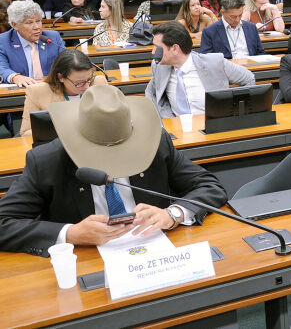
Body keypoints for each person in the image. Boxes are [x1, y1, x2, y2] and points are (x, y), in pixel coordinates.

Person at [0, 84, 227, 256]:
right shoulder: (47, 160)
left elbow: (209, 186)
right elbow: (3, 223)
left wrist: (173, 214)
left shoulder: (155, 143)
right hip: (86, 260)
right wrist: (71, 233)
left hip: (156, 251)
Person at [146, 21, 255, 118]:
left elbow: (249, 79)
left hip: (211, 128)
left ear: (175, 48)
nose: (153, 52)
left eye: (157, 47)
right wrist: (165, 118)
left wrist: (231, 112)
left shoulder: (215, 62)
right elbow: (151, 91)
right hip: (176, 128)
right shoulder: (159, 66)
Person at [19, 50, 108, 136]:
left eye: (89, 79)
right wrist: (67, 131)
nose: (87, 87)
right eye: (79, 83)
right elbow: (26, 133)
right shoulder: (38, 92)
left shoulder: (99, 83)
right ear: (60, 77)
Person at [0, 0, 66, 87]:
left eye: (38, 21)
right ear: (15, 25)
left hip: (51, 88)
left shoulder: (53, 37)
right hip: (22, 90)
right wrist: (15, 77)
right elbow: (1, 67)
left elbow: (67, 61)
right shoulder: (3, 41)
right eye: (29, 23)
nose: (37, 27)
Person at [199, 0, 264, 59]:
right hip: (226, 65)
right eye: (233, 17)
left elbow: (261, 53)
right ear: (222, 12)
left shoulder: (251, 28)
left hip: (251, 64)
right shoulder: (210, 32)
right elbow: (206, 59)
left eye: (240, 15)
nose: (237, 19)